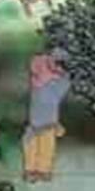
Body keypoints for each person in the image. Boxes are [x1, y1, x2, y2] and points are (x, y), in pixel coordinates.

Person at [22, 50, 69, 181]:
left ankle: (41, 170)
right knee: (35, 145)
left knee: (45, 146)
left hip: (47, 120)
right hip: (39, 120)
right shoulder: (48, 78)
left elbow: (60, 90)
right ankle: (33, 170)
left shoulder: (58, 80)